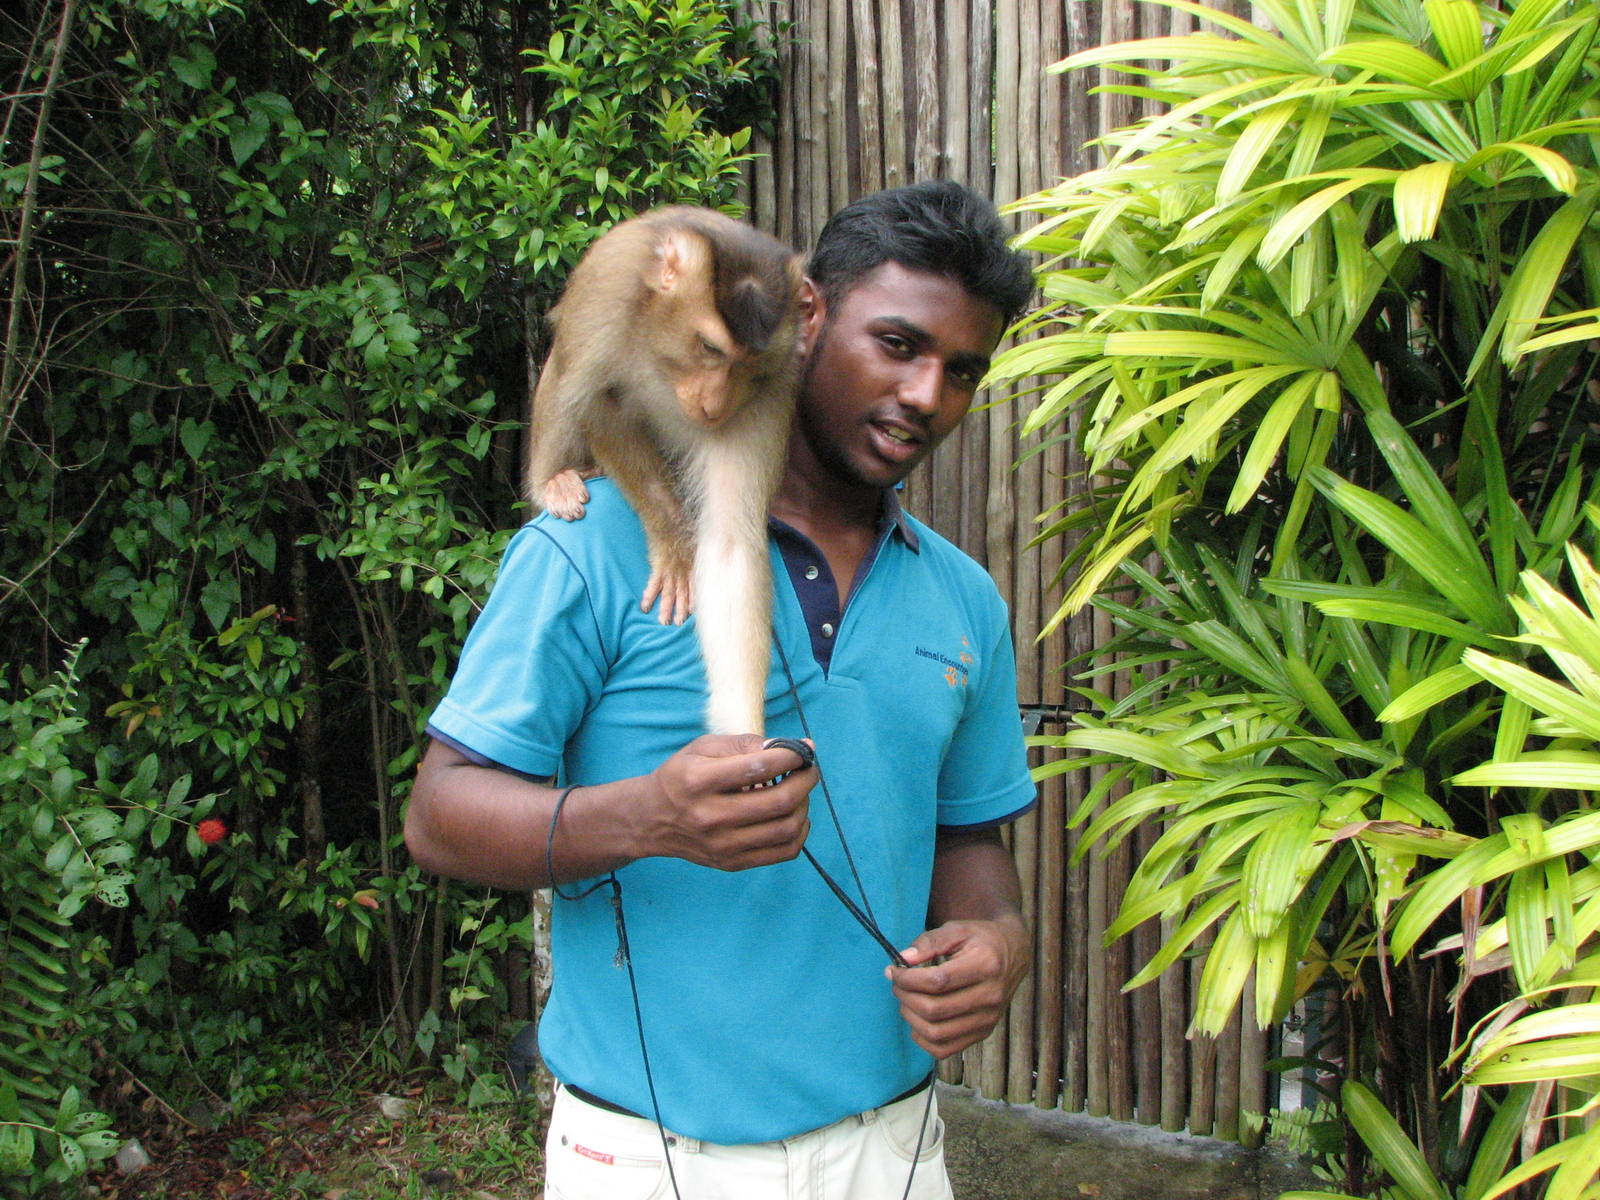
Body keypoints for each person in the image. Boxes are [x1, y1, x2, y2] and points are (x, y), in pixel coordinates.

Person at [405, 180, 1038, 1199]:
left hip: (896, 1149)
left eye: (962, 370)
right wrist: (647, 817)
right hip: (653, 1159)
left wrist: (997, 944)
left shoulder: (962, 597)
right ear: (808, 317)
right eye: (898, 345)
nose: (927, 395)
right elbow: (439, 817)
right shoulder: (593, 546)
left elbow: (968, 839)